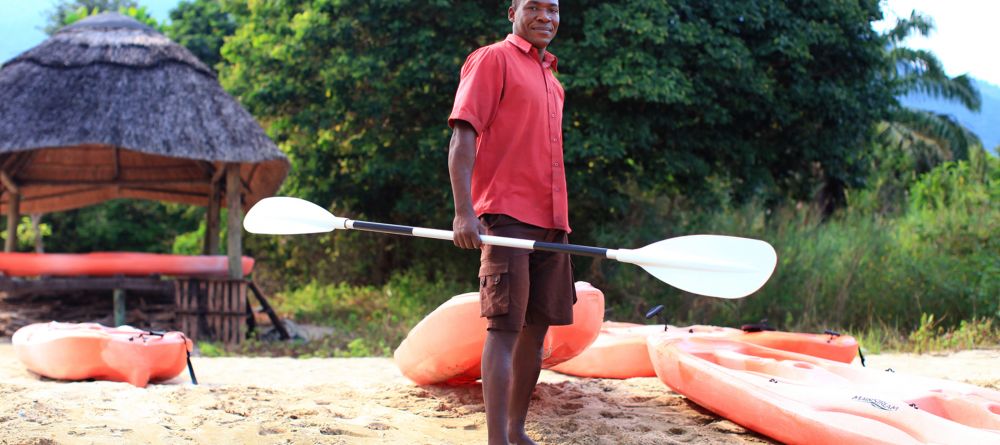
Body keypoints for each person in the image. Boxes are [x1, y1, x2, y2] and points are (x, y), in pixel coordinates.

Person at [447, 1, 571, 444]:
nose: (546, 17)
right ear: (512, 12)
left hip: (555, 222)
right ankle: (496, 440)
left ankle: (517, 432)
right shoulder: (491, 59)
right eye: (533, 7)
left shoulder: (553, 81)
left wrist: (560, 222)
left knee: (536, 332)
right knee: (504, 329)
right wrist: (465, 211)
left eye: (553, 9)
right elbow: (464, 135)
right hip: (507, 216)